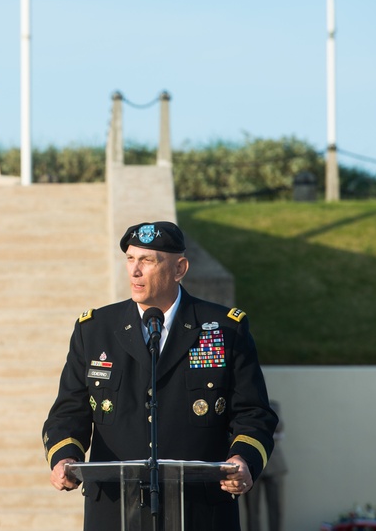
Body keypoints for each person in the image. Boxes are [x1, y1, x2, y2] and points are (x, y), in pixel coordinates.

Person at [42, 221, 278, 530]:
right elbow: (68, 412)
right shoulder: (95, 330)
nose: (134, 271)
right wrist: (64, 457)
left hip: (200, 510)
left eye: (147, 261)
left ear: (179, 268)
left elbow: (253, 413)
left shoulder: (224, 328)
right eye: (130, 258)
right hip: (114, 510)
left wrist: (243, 460)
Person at [245, 400, 287, 531]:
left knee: (276, 508)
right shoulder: (245, 406)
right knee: (252, 510)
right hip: (253, 465)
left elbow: (277, 425)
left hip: (274, 465)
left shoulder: (272, 405)